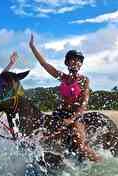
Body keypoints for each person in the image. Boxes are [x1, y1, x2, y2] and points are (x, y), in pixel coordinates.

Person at [29, 34, 102, 162]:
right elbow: (44, 64)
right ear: (67, 62)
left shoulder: (84, 80)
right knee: (41, 136)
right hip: (59, 114)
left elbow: (84, 103)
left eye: (79, 60)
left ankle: (100, 162)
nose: (76, 62)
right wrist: (32, 47)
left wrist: (72, 119)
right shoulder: (62, 77)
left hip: (75, 116)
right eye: (73, 60)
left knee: (80, 145)